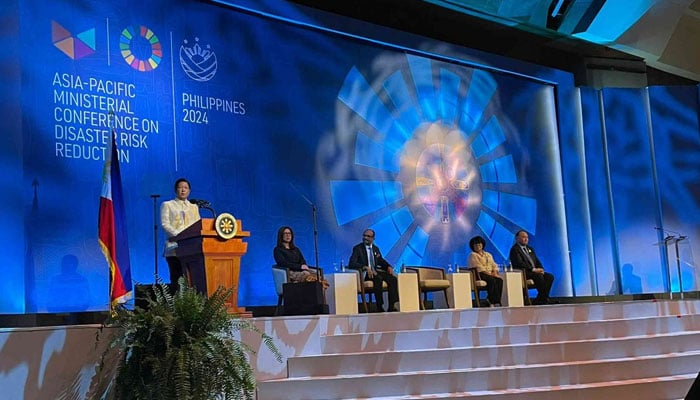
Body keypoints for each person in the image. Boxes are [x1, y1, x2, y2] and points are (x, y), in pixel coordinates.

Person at [160, 178, 201, 287]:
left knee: (192, 280)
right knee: (177, 278)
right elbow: (165, 224)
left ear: (189, 191)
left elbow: (198, 226)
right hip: (174, 247)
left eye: (185, 188)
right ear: (175, 190)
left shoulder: (194, 207)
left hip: (191, 249)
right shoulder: (167, 205)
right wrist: (180, 236)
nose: (183, 190)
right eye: (180, 187)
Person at [349, 229, 399, 312]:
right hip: (365, 274)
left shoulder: (376, 249)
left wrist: (388, 266)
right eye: (364, 235)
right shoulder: (357, 248)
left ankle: (392, 305)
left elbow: (380, 261)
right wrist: (364, 267)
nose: (365, 237)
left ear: (373, 238)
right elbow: (352, 263)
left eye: (368, 236)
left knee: (393, 279)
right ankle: (380, 305)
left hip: (375, 271)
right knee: (378, 278)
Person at [508, 230, 555, 305]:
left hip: (534, 272)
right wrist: (533, 269)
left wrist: (541, 269)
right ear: (517, 238)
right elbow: (519, 263)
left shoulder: (530, 249)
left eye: (527, 237)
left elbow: (536, 260)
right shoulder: (514, 249)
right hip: (524, 272)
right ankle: (544, 298)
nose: (526, 239)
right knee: (538, 276)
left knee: (549, 277)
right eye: (523, 237)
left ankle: (540, 299)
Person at [466, 236, 503, 307]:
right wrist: (490, 274)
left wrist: (495, 272)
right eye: (475, 245)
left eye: (479, 244)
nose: (478, 246)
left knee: (499, 280)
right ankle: (491, 301)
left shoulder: (488, 254)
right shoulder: (473, 255)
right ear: (472, 246)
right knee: (492, 280)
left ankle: (494, 300)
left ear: (482, 245)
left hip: (489, 274)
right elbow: (478, 267)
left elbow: (494, 264)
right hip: (479, 274)